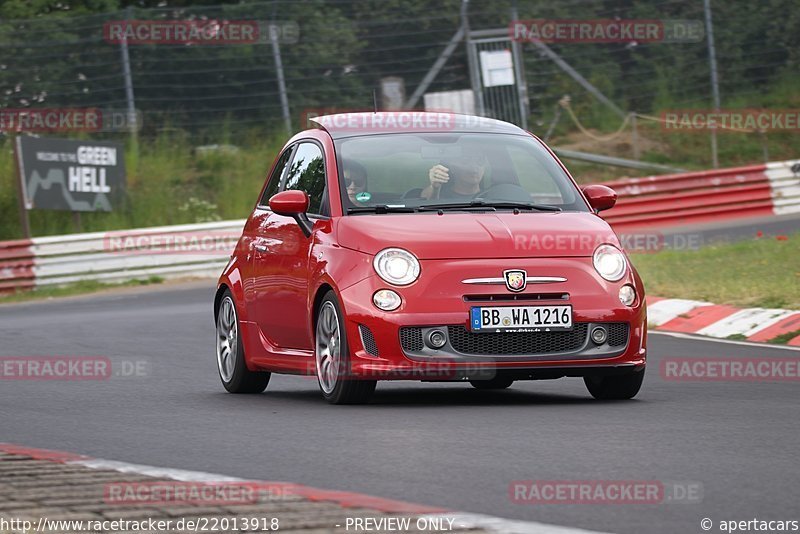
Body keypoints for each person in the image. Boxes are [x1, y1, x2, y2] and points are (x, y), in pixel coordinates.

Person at [420, 152, 488, 201]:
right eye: (465, 161)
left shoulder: (493, 197)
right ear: (452, 167)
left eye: (480, 161)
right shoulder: (440, 195)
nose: (474, 166)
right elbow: (425, 201)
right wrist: (434, 188)